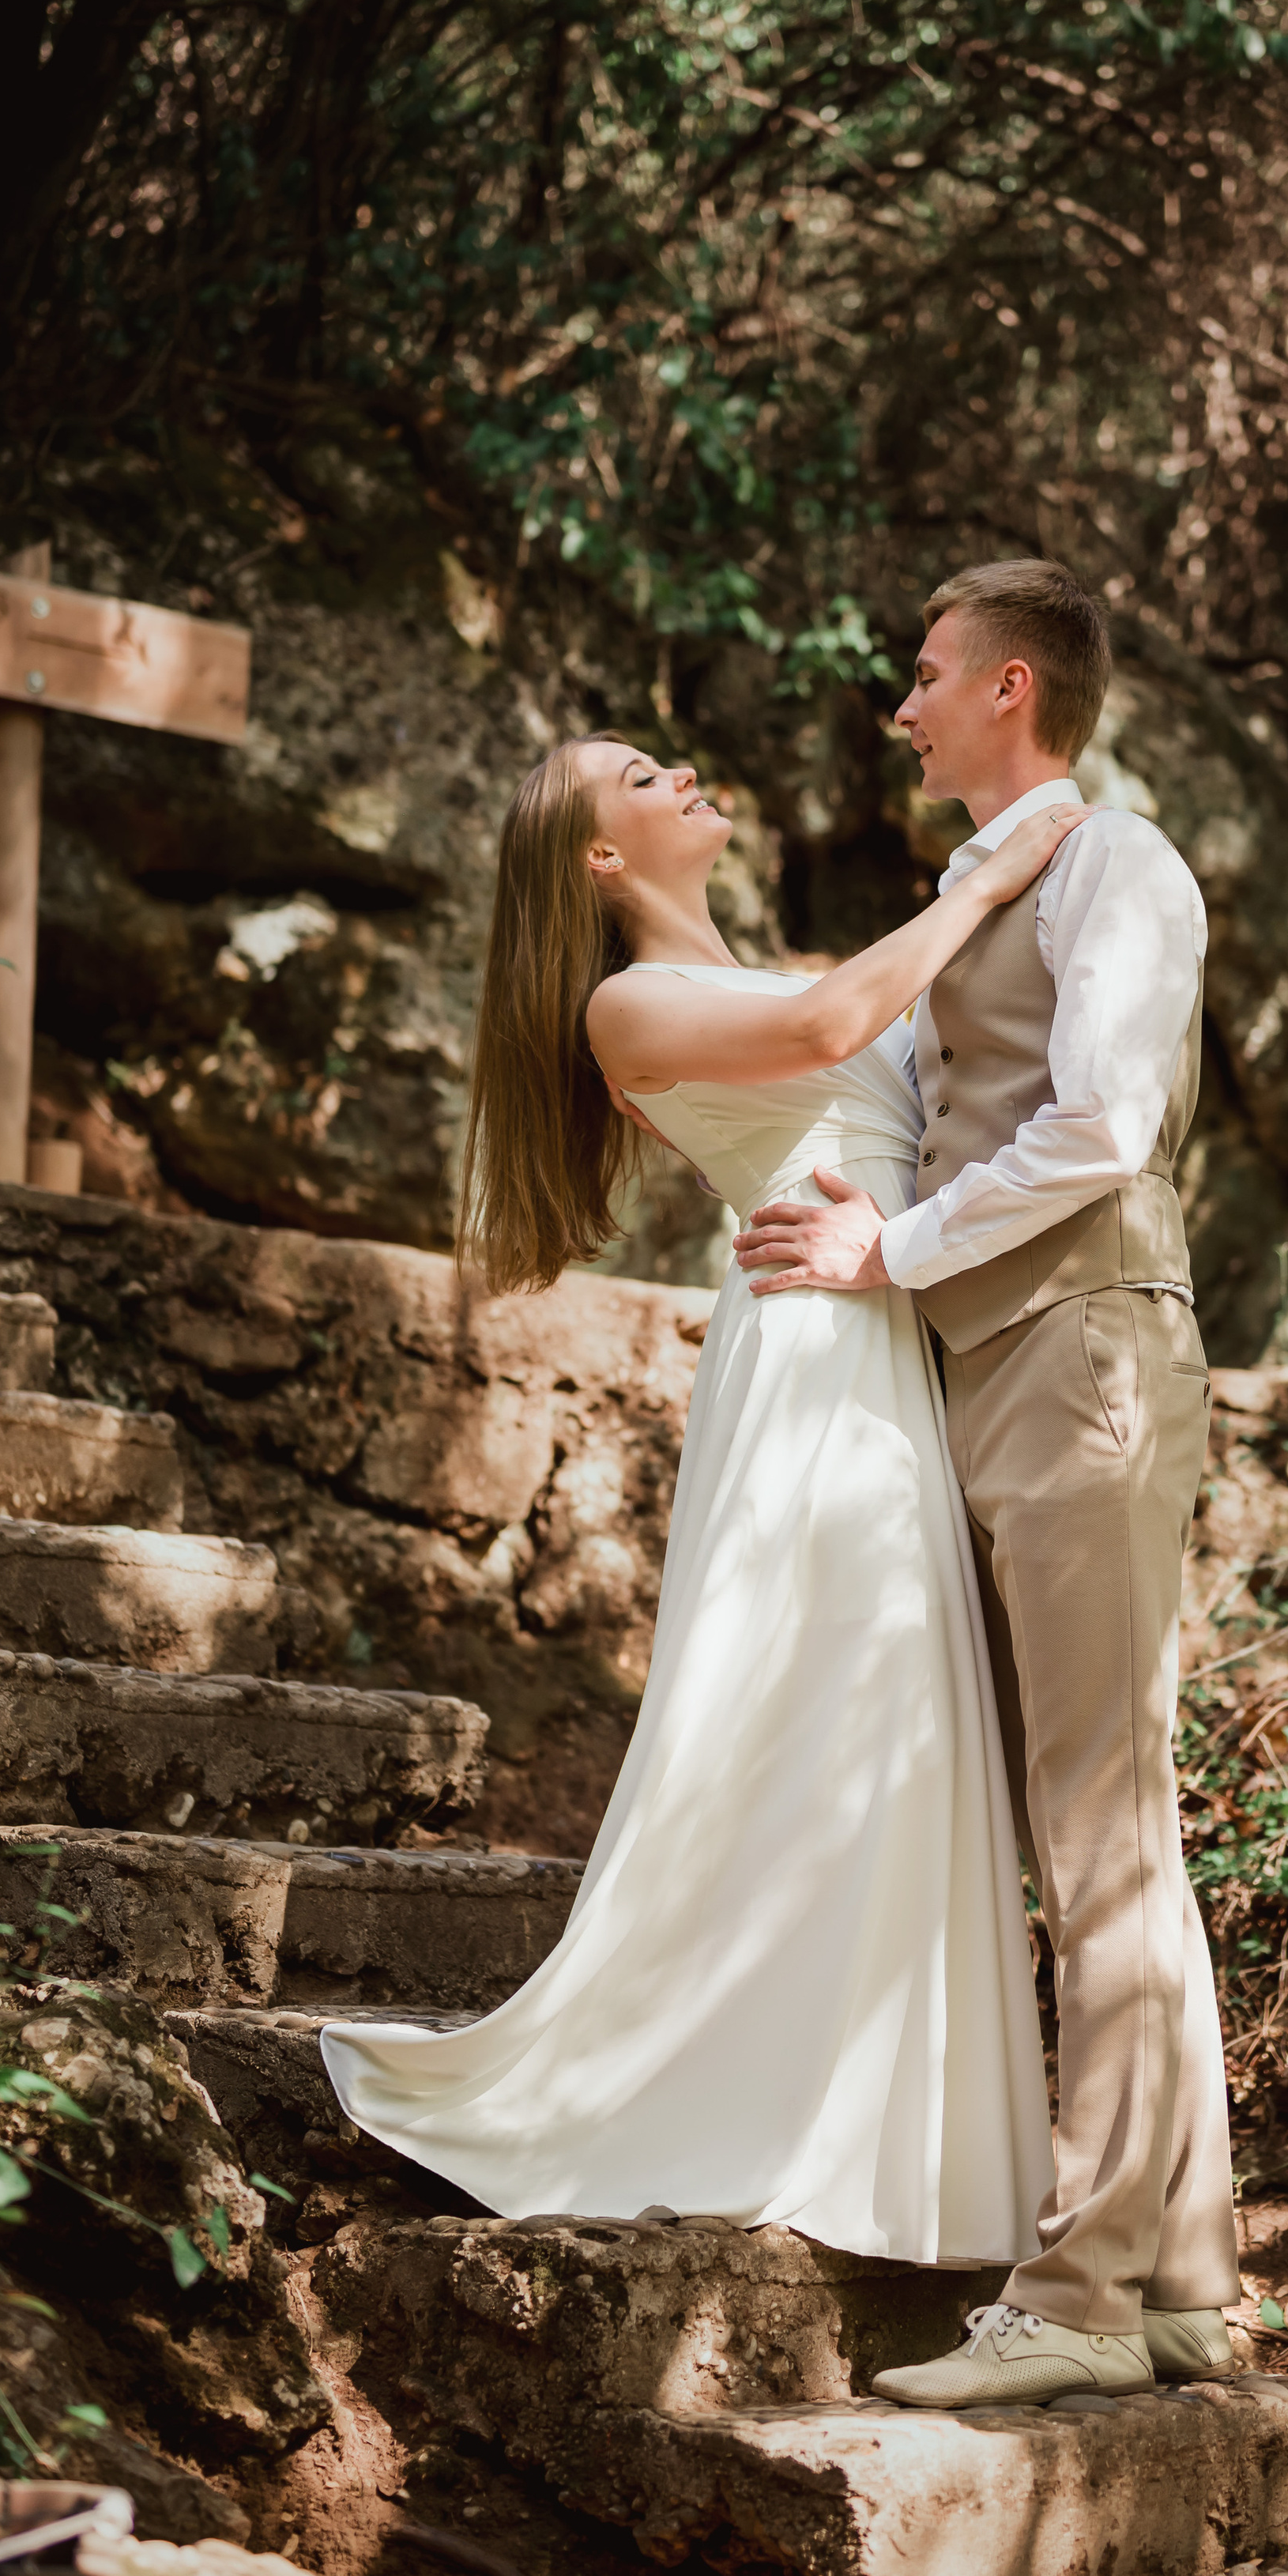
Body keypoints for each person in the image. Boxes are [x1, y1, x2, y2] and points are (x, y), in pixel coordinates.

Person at [318, 732, 1082, 2264]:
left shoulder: (765, 964)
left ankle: (877, 2135)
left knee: (888, 1727)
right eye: (640, 777)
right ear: (599, 860)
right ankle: (723, 2105)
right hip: (809, 1367)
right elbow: (827, 1023)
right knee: (809, 1712)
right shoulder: (628, 1004)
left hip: (881, 1333)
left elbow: (899, 1078)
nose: (680, 775)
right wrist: (994, 869)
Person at [732, 560, 1245, 2407]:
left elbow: (1104, 1125)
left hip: (1086, 1351)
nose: (902, 708)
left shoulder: (1122, 870)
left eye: (926, 677)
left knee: (1099, 1832)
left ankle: (1082, 2303)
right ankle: (1183, 2274)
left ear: (1012, 687)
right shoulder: (969, 893)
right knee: (1098, 1829)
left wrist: (898, 1250)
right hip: (1003, 1367)